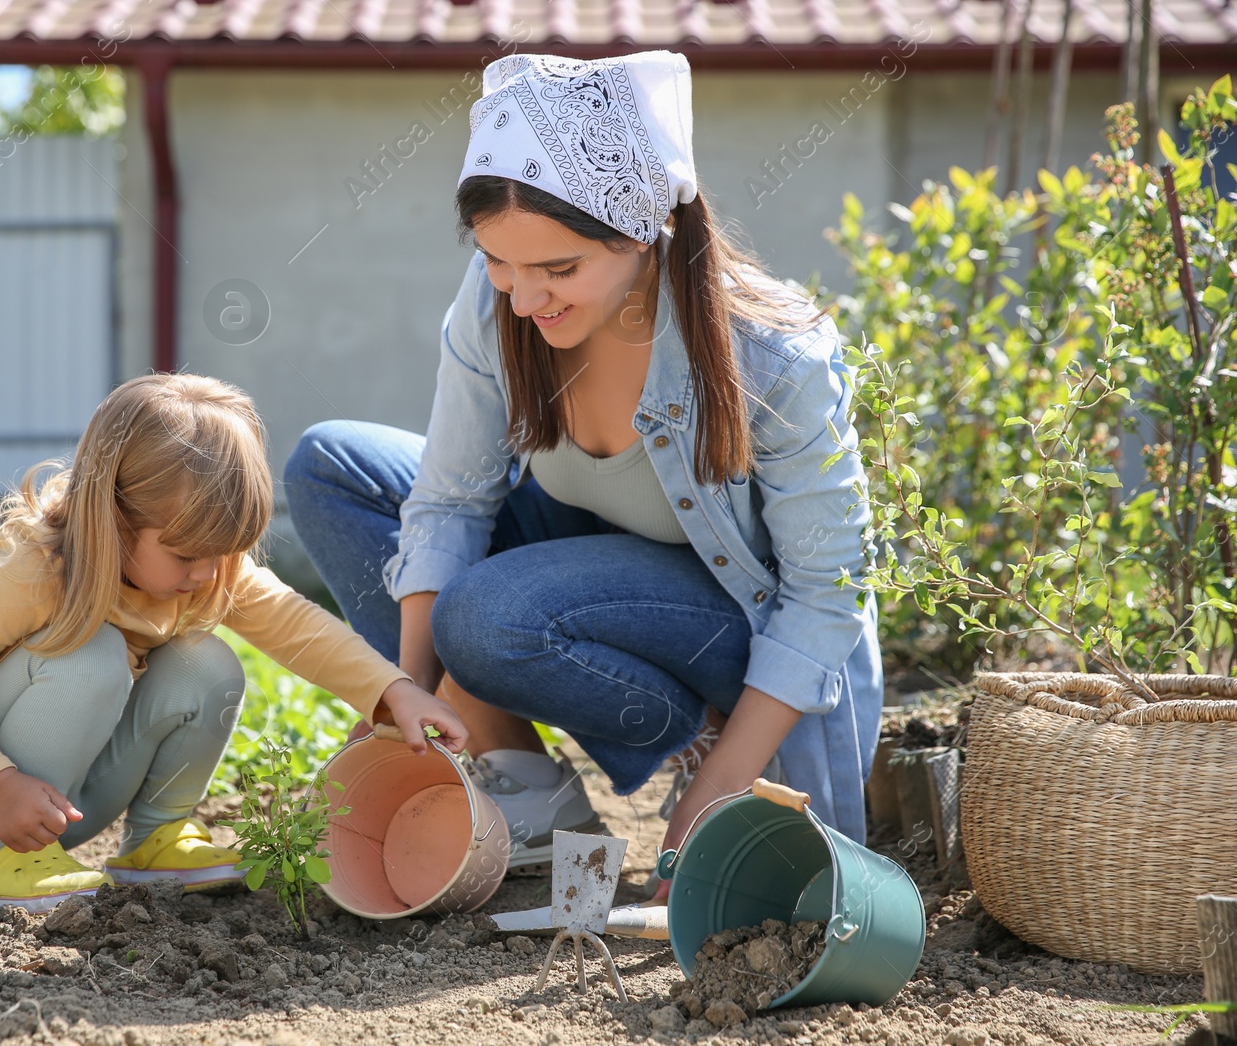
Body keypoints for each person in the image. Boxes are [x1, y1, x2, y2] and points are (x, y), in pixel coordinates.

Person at [285, 51, 881, 888]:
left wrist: (711, 796)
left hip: (731, 635)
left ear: (641, 231)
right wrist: (401, 706)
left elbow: (827, 595)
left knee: (484, 614)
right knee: (331, 466)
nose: (524, 299)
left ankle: (698, 737)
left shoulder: (776, 359)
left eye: (558, 269)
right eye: (500, 262)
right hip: (581, 572)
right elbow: (450, 501)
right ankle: (531, 790)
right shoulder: (501, 300)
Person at [0, 373, 466, 911]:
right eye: (187, 554)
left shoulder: (209, 567)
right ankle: (2, 866)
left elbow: (298, 626)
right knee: (92, 654)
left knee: (207, 662)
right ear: (111, 517)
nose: (210, 574)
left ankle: (156, 839)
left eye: (226, 552)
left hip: (72, 801)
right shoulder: (36, 568)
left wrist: (393, 691)